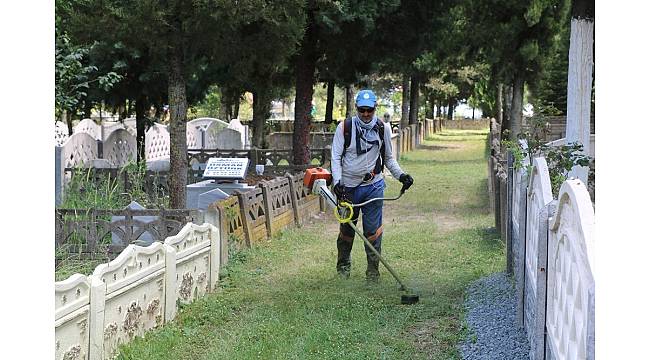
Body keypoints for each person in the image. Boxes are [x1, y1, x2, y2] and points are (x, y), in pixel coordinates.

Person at [330, 89, 414, 282]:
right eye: (362, 110)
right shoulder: (345, 128)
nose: (366, 114)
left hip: (373, 187)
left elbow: (389, 159)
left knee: (373, 231)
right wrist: (337, 183)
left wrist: (402, 176)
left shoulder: (382, 128)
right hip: (348, 188)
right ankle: (343, 269)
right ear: (357, 108)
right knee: (347, 230)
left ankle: (373, 273)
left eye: (369, 110)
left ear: (375, 108)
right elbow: (335, 157)